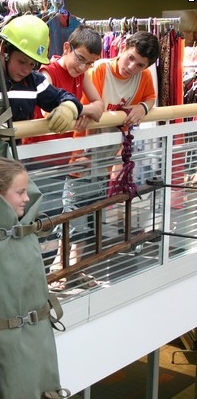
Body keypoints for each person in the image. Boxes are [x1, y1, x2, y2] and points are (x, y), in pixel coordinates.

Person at [0, 156, 102, 399]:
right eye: (19, 192)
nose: (27, 199)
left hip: (31, 325)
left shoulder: (20, 226)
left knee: (47, 392)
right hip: (10, 334)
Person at [58, 31, 160, 286]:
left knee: (91, 211)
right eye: (130, 58)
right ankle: (60, 269)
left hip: (104, 159)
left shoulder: (144, 77)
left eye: (140, 64)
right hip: (82, 156)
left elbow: (151, 97)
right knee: (73, 212)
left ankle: (74, 268)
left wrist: (143, 107)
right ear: (122, 48)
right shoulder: (99, 70)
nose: (131, 67)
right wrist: (79, 153)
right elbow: (86, 113)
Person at [28, 25, 105, 289]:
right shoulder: (47, 72)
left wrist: (80, 110)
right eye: (80, 59)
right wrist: (82, 110)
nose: (83, 67)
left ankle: (54, 273)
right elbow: (50, 114)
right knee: (40, 222)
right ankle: (35, 280)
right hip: (38, 159)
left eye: (89, 63)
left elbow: (99, 105)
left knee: (62, 217)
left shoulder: (81, 75)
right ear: (66, 48)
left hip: (62, 160)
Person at [0, 14, 83, 134]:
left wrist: (69, 107)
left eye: (32, 64)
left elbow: (63, 97)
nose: (26, 70)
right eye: (22, 62)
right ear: (4, 49)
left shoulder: (34, 82)